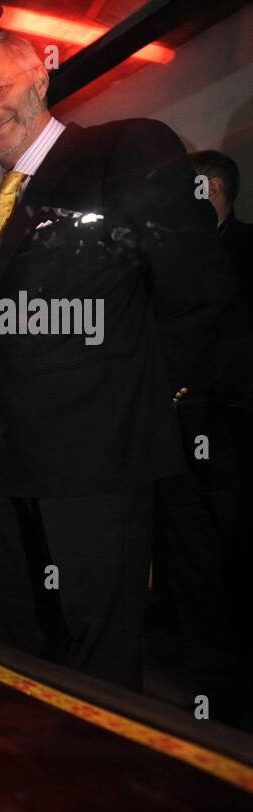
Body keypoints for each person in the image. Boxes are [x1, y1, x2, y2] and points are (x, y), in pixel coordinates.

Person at [0, 30, 233, 690]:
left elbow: (196, 291)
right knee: (21, 638)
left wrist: (139, 403)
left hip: (97, 454)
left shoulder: (125, 149)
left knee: (97, 655)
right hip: (6, 467)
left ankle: (101, 786)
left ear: (41, 80)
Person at [150, 151, 253, 725]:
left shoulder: (247, 249)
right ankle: (209, 687)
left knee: (234, 550)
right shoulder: (166, 260)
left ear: (218, 190)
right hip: (177, 427)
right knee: (189, 558)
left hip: (232, 430)